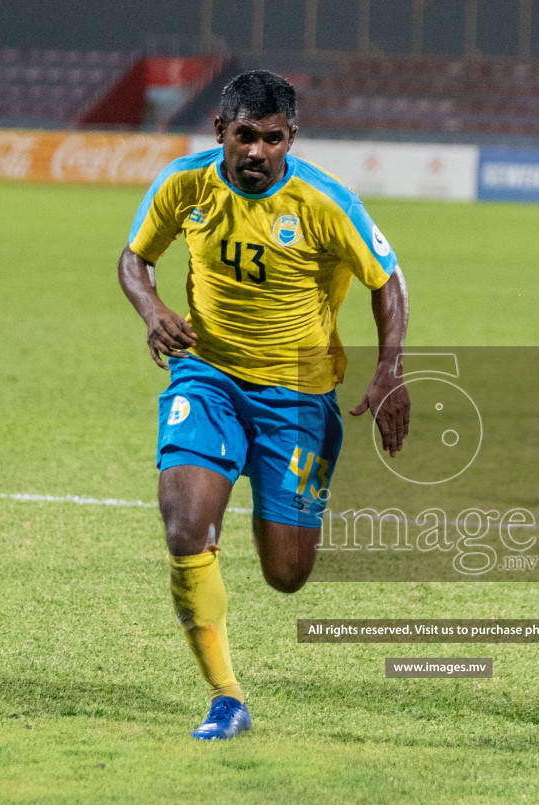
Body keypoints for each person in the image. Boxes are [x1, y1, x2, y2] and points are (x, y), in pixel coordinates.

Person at [118, 70, 410, 740]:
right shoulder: (183, 184)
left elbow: (387, 279)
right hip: (208, 378)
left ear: (291, 138)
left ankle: (259, 485)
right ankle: (225, 697)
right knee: (185, 524)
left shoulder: (323, 202)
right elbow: (135, 261)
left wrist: (390, 368)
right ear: (220, 130)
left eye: (272, 139)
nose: (257, 152)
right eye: (244, 136)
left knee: (287, 573)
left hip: (299, 397)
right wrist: (153, 308)